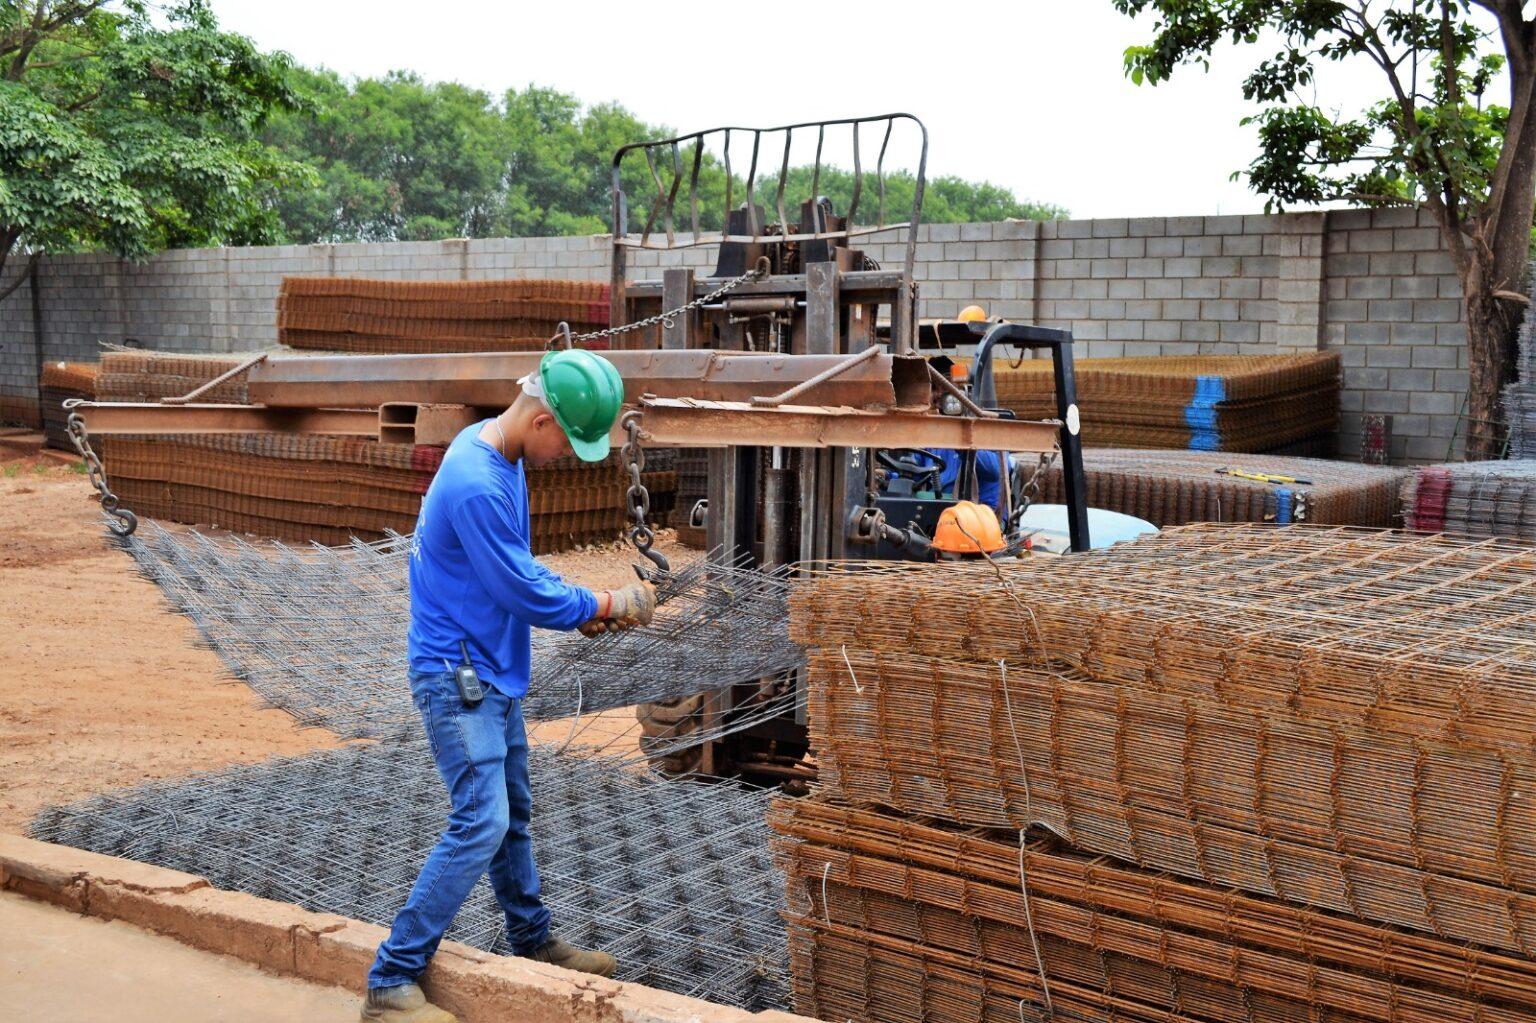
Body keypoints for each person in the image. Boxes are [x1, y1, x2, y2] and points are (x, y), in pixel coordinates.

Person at [362, 348, 656, 1023]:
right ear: (543, 417)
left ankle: (532, 941)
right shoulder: (476, 478)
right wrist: (601, 604)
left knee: (511, 812)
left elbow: (514, 571)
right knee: (482, 818)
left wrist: (578, 612)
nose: (561, 455)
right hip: (454, 676)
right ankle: (390, 979)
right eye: (567, 441)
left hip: (488, 669)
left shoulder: (500, 454)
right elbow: (520, 585)